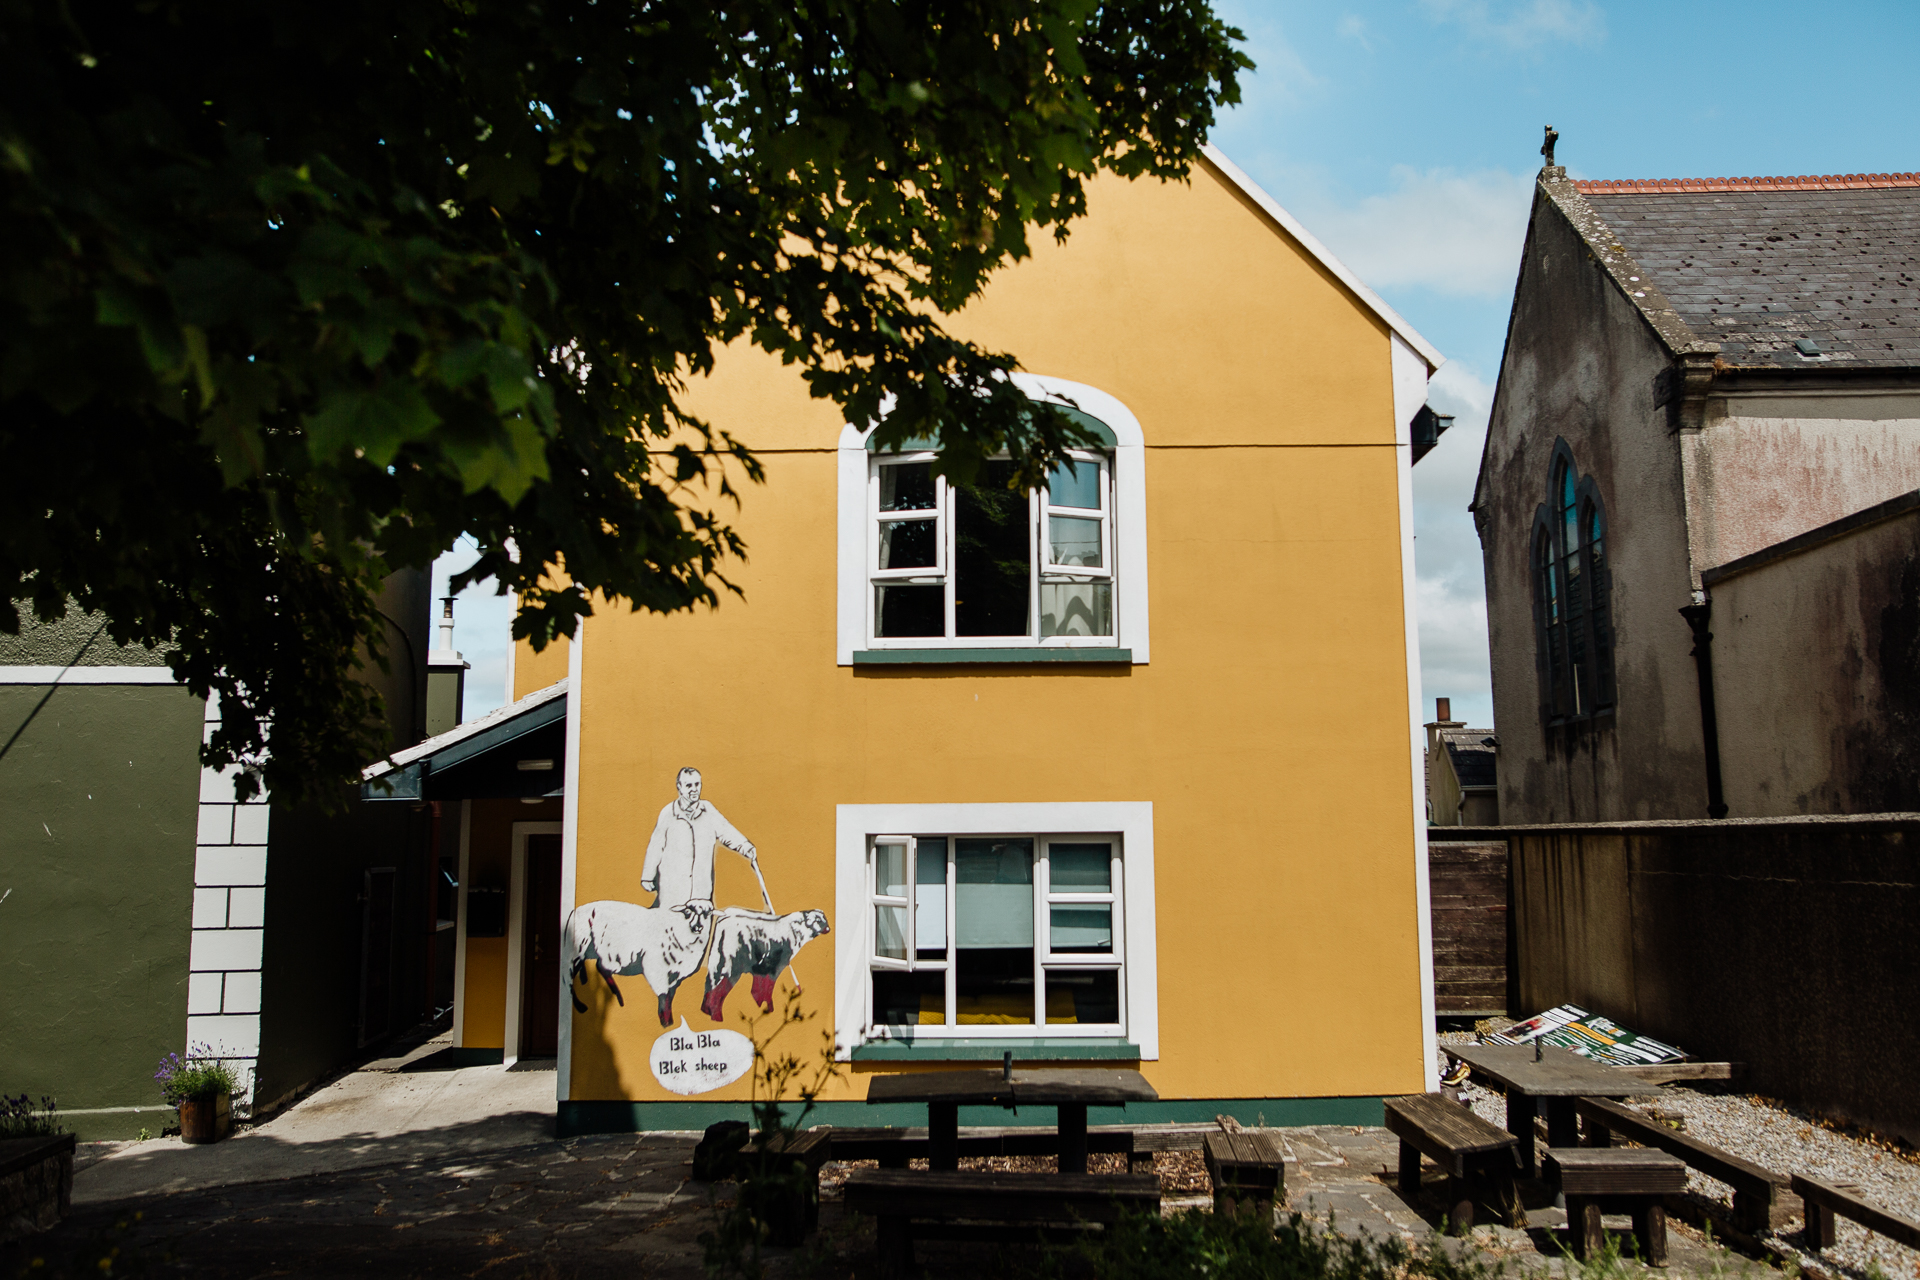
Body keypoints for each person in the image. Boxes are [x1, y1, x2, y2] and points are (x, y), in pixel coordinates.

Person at [642, 767, 758, 911]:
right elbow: (655, 846)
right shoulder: (668, 814)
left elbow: (727, 831)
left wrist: (745, 847)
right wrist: (647, 876)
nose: (694, 789)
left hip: (700, 893)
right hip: (673, 891)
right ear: (679, 787)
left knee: (699, 930)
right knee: (670, 929)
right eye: (689, 785)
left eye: (697, 784)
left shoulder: (708, 811)